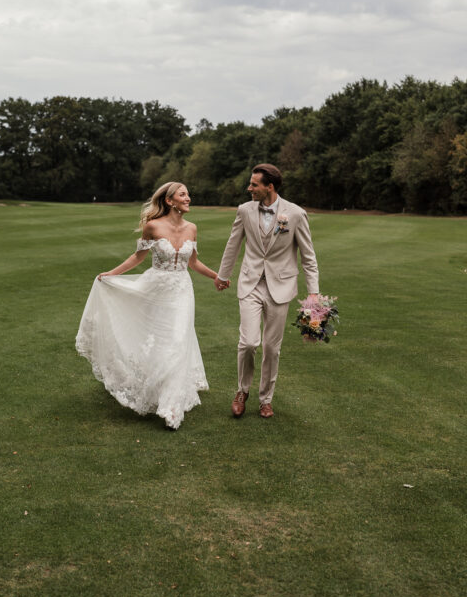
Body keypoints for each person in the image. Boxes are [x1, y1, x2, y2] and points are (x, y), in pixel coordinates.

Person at [76, 182, 225, 429]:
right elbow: (138, 257)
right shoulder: (153, 226)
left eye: (188, 194)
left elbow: (194, 263)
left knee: (178, 340)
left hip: (182, 291)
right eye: (183, 194)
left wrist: (216, 277)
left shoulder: (192, 228)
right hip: (156, 289)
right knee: (159, 340)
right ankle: (155, 388)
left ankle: (172, 408)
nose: (189, 198)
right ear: (169, 201)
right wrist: (111, 274)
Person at [215, 163, 320, 419]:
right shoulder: (244, 210)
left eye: (254, 185)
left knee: (272, 348)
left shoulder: (295, 214)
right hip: (250, 282)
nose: (249, 188)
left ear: (269, 187)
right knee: (249, 342)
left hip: (281, 287)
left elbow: (308, 256)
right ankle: (242, 391)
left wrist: (314, 293)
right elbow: (233, 245)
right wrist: (223, 275)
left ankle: (266, 399)